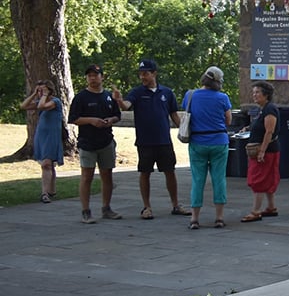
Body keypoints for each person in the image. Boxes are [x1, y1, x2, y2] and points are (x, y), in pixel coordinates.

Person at [117, 59, 186, 219]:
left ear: (154, 73)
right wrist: (120, 100)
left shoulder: (167, 93)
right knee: (145, 173)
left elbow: (174, 115)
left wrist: (185, 132)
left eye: (146, 73)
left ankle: (176, 205)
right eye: (141, 74)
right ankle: (146, 207)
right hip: (145, 141)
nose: (143, 77)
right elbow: (126, 106)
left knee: (170, 172)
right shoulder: (137, 92)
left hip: (164, 140)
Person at [68, 64, 123, 224]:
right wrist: (91, 120)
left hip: (106, 141)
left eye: (95, 75)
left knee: (107, 175)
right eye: (89, 75)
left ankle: (106, 208)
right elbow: (73, 118)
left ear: (102, 77)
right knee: (87, 176)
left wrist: (110, 120)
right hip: (87, 142)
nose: (92, 78)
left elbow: (117, 115)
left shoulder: (108, 96)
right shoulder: (81, 97)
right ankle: (86, 211)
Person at [185, 66, 232, 229]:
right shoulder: (223, 97)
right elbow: (229, 120)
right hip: (219, 141)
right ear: (218, 82)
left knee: (198, 180)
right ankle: (219, 217)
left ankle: (194, 218)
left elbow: (188, 115)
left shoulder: (190, 95)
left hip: (198, 141)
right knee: (219, 179)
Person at [242, 81, 281, 222]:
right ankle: (271, 207)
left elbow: (269, 131)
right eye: (254, 92)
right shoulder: (263, 109)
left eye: (257, 92)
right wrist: (247, 128)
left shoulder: (270, 110)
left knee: (257, 179)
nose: (254, 95)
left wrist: (262, 151)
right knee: (269, 179)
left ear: (266, 94)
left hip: (266, 151)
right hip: (269, 150)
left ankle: (256, 211)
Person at [21, 79, 63, 203]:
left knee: (46, 164)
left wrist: (45, 95)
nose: (40, 93)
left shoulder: (55, 101)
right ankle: (51, 190)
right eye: (39, 90)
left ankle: (45, 193)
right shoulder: (40, 100)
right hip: (41, 135)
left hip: (52, 135)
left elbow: (41, 107)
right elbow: (24, 106)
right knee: (48, 164)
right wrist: (34, 94)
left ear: (50, 90)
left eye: (43, 90)